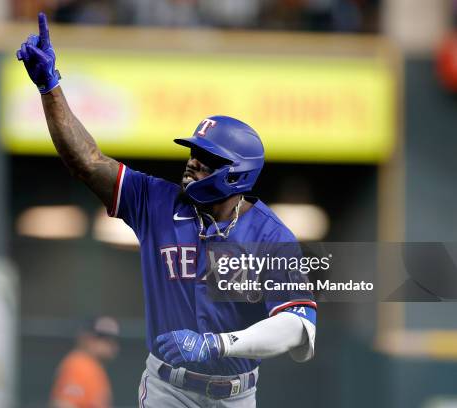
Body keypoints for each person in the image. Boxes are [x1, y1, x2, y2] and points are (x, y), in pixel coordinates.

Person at [17, 13, 317, 407]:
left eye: (208, 159)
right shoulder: (156, 201)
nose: (193, 163)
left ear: (235, 176)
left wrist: (218, 344)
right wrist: (50, 88)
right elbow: (87, 162)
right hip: (168, 390)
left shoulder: (270, 236)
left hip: (236, 395)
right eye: (194, 153)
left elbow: (296, 325)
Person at [49, 316, 120, 408]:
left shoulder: (94, 366)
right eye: (102, 337)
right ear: (86, 338)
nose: (110, 343)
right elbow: (63, 404)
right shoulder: (79, 364)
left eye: (113, 339)